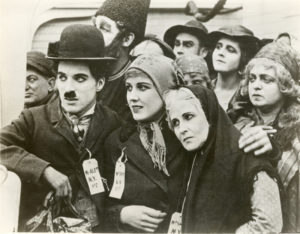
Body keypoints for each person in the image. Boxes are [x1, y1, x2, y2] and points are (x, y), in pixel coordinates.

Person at [0, 24, 121, 231]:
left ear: (99, 83)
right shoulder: (33, 119)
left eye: (80, 79)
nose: (68, 89)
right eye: (63, 78)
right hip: (42, 224)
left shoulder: (113, 122)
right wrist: (44, 170)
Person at [164, 85, 283, 233]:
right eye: (175, 122)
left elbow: (268, 224)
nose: (182, 129)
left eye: (188, 117)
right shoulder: (194, 158)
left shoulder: (248, 156)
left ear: (209, 115)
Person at [103, 54, 187, 233]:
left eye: (142, 87)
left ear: (166, 90)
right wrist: (121, 214)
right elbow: (100, 201)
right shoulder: (117, 141)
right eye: (129, 88)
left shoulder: (187, 137)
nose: (132, 97)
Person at [234, 40, 300, 232]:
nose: (256, 85)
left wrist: (276, 149)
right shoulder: (237, 123)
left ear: (285, 84)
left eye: (266, 79)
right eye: (252, 78)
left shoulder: (297, 127)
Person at [92, 0, 150, 122]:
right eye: (94, 27)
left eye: (104, 28)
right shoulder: (90, 73)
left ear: (127, 39)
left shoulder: (138, 83)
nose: (94, 34)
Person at [209, 25, 260, 111]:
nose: (221, 53)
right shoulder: (205, 88)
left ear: (244, 59)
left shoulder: (249, 94)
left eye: (230, 50)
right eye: (218, 47)